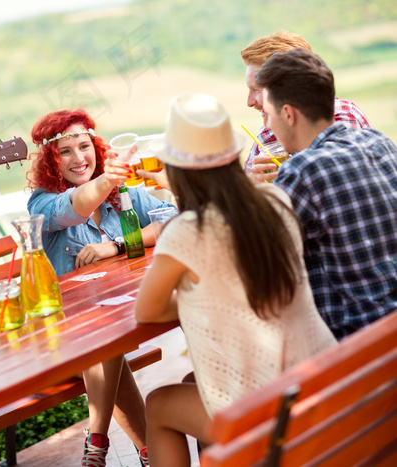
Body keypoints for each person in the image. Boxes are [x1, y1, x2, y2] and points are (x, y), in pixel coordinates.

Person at [134, 92, 337, 467]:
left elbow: (147, 311)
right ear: (233, 157)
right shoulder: (276, 200)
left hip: (272, 414)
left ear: (176, 169)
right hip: (323, 383)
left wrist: (195, 297)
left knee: (159, 405)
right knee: (192, 384)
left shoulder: (185, 233)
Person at [26, 109, 176, 466]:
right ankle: (102, 441)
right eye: (65, 151)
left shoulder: (119, 194)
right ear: (51, 160)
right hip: (59, 333)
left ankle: (131, 451)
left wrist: (118, 245)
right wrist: (106, 180)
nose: (79, 158)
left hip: (104, 326)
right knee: (104, 339)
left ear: (95, 147)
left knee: (106, 339)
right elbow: (75, 207)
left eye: (84, 146)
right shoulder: (43, 202)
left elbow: (170, 218)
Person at [256, 48, 397, 339]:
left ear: (288, 114)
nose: (267, 125)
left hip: (356, 349)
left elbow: (260, 265)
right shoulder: (379, 141)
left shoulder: (303, 171)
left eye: (267, 114)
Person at [240, 31, 371, 182]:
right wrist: (252, 181)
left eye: (257, 90)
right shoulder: (267, 136)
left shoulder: (342, 118)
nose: (249, 102)